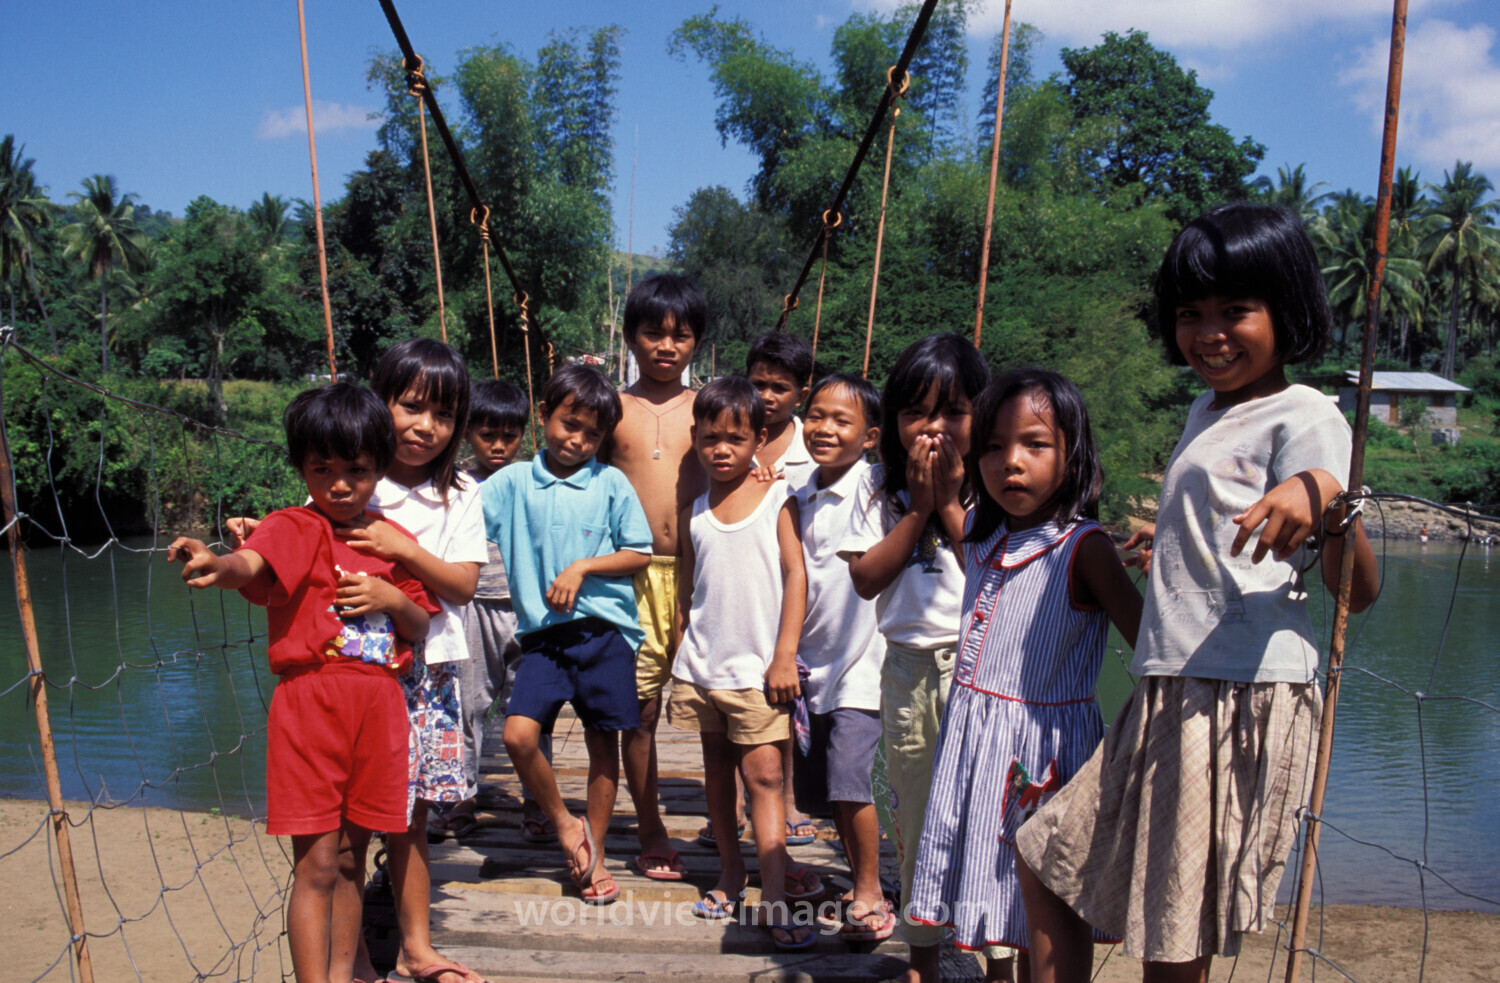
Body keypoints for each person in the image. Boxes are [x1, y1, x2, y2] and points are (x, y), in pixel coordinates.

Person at [1015, 203, 1380, 983]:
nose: (1209, 332)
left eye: (1235, 310)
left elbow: (1359, 585)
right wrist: (1171, 546)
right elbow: (1231, 532)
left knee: (1171, 927)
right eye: (1190, 314)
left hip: (1235, 690)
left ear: (1286, 309)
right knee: (1050, 855)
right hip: (1171, 682)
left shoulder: (1308, 413)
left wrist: (1322, 498)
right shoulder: (1205, 408)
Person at [167, 383, 440, 983]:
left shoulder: (392, 541)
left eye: (357, 469)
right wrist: (219, 565)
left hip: (379, 709)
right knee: (316, 863)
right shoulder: (294, 525)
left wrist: (391, 595)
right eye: (323, 469)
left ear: (380, 466)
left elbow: (420, 624)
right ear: (301, 468)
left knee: (351, 857)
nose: (340, 484)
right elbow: (253, 565)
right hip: (311, 707)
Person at [904, 368, 1141, 981]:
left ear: (1074, 451)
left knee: (1048, 899)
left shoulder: (1082, 548)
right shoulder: (990, 539)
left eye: (1034, 445)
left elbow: (1149, 643)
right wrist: (942, 491)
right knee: (995, 888)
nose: (1011, 463)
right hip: (976, 744)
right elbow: (958, 527)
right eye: (993, 446)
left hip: (1044, 755)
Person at [840, 334, 991, 983]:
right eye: (916, 412)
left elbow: (992, 574)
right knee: (918, 811)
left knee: (989, 812)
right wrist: (920, 506)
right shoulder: (874, 486)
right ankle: (924, 956)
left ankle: (994, 949)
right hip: (907, 665)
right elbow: (867, 577)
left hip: (980, 664)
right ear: (893, 421)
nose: (933, 427)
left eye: (952, 411)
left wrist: (951, 503)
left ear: (980, 416)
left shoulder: (995, 483)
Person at [486, 364, 654, 905]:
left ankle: (595, 854)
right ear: (542, 417)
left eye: (591, 434)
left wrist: (582, 567)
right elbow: (450, 515)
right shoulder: (511, 482)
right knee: (517, 735)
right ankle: (564, 824)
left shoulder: (610, 482)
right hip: (544, 639)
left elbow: (639, 552)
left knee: (603, 743)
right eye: (568, 424)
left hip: (605, 633)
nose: (577, 441)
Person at [666, 377, 812, 949]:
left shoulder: (779, 497)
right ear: (696, 440)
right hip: (703, 667)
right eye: (709, 438)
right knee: (717, 778)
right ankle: (731, 872)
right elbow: (687, 586)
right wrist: (682, 644)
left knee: (766, 777)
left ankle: (775, 898)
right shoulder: (695, 512)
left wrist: (784, 654)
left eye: (735, 438)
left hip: (759, 670)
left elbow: (796, 573)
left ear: (758, 440)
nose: (721, 449)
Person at [363, 338, 489, 983]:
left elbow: (462, 587)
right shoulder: (350, 475)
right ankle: (352, 960)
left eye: (442, 416)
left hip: (430, 670)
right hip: (356, 670)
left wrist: (397, 547)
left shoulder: (459, 493)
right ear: (379, 400)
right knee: (349, 818)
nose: (424, 427)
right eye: (410, 406)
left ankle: (415, 949)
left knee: (409, 814)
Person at [602, 273, 707, 880]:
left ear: (697, 344)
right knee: (639, 711)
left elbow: (756, 458)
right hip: (633, 577)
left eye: (682, 335)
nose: (667, 346)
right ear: (631, 337)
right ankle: (649, 826)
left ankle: (734, 816)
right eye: (653, 333)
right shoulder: (611, 408)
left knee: (720, 703)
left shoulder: (711, 409)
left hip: (704, 573)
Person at [786, 373, 890, 941]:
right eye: (817, 415)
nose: (824, 428)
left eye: (841, 420)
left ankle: (871, 888)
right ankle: (857, 878)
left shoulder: (879, 488)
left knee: (850, 778)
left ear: (871, 436)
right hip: (810, 662)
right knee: (821, 788)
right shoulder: (797, 492)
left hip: (863, 665)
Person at [431, 379, 538, 840]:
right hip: (473, 606)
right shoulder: (451, 482)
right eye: (486, 434)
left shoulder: (537, 477)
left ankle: (536, 798)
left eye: (509, 436)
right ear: (468, 432)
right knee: (469, 703)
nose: (498, 446)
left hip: (529, 609)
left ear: (524, 436)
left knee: (533, 708)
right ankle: (462, 796)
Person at [747, 331, 815, 481]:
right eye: (759, 385)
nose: (766, 397)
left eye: (780, 388)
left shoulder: (813, 452)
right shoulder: (720, 441)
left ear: (800, 396)